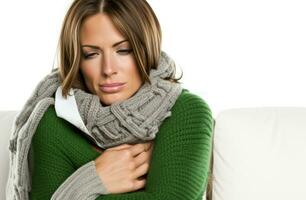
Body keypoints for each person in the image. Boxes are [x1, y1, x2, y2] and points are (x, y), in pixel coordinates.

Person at [5, 0, 213, 199]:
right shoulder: (53, 122)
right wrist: (92, 181)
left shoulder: (186, 112)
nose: (108, 69)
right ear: (77, 60)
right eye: (91, 54)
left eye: (123, 50)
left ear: (147, 48)